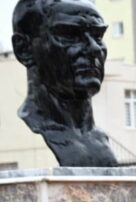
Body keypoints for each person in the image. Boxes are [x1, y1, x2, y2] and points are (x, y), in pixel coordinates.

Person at [11, 0, 117, 167]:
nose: (94, 49)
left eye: (98, 36)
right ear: (23, 49)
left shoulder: (101, 142)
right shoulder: (14, 138)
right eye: (70, 35)